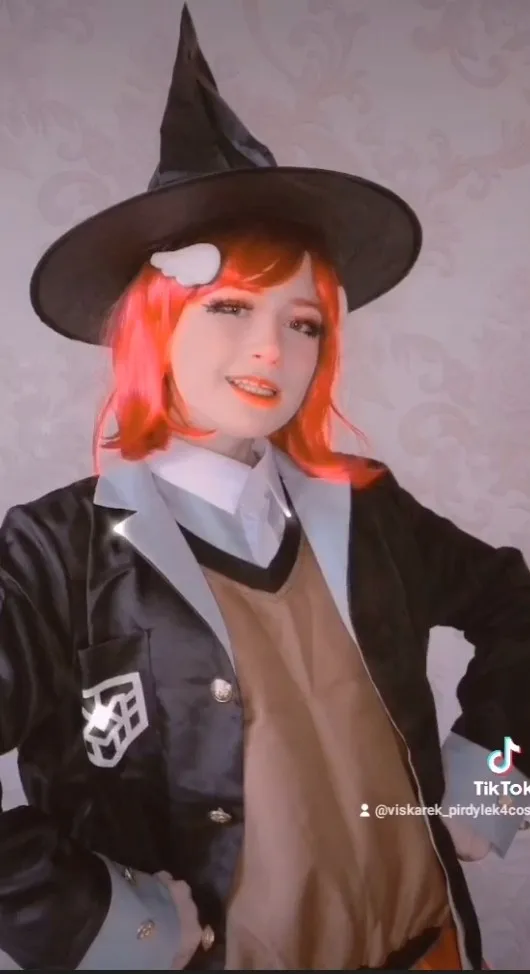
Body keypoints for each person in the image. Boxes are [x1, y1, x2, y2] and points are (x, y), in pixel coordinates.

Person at [0, 5, 527, 970]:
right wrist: (88, 919)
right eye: (231, 307)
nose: (270, 351)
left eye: (303, 322)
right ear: (154, 325)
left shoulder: (367, 506)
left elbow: (518, 608)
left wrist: (496, 778)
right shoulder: (52, 554)